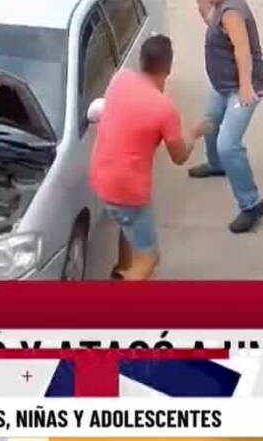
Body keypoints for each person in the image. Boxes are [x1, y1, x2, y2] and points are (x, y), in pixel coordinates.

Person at [89, 35, 208, 280]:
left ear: (141, 60)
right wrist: (194, 134)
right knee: (149, 257)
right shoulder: (165, 109)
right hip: (128, 190)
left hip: (101, 177)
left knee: (128, 223)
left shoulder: (120, 79)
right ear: (168, 68)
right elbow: (179, 157)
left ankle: (122, 269)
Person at [188, 0, 263, 233]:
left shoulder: (232, 11)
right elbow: (209, 19)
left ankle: (252, 204)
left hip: (241, 87)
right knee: (210, 122)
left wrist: (246, 86)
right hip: (222, 84)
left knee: (228, 144)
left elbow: (242, 50)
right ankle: (217, 165)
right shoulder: (219, 5)